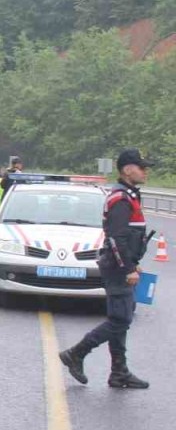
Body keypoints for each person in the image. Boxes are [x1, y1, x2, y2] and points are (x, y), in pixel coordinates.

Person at [59, 148, 155, 389]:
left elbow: (127, 238)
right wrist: (128, 268)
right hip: (117, 268)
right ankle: (76, 353)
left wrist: (134, 263)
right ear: (127, 170)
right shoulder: (121, 199)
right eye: (141, 167)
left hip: (119, 266)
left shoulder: (129, 195)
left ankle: (119, 372)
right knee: (120, 320)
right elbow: (116, 238)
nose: (145, 171)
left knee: (119, 318)